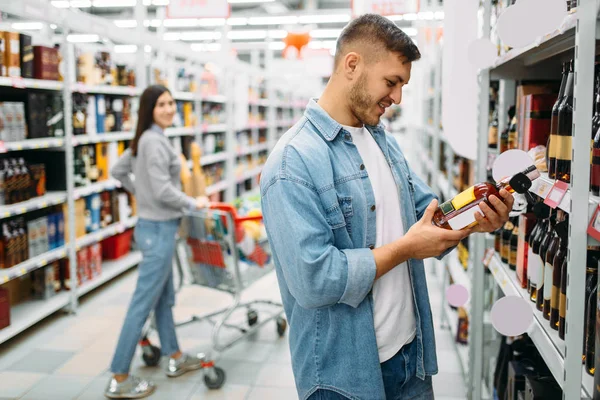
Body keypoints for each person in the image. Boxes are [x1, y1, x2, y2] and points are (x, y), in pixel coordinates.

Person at [260, 14, 514, 400]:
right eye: (391, 82)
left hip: (410, 356)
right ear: (352, 65)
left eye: (402, 86)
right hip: (344, 376)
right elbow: (314, 279)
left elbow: (426, 210)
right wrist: (405, 249)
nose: (397, 98)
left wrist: (473, 219)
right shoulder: (292, 163)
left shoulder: (381, 140)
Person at [105, 85, 208, 399]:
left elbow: (118, 170)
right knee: (142, 304)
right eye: (161, 104)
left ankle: (174, 357)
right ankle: (119, 376)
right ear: (149, 108)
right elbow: (163, 191)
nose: (168, 108)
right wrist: (194, 203)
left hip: (154, 227)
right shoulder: (153, 141)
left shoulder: (148, 139)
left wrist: (140, 193)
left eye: (171, 103)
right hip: (158, 230)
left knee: (163, 300)